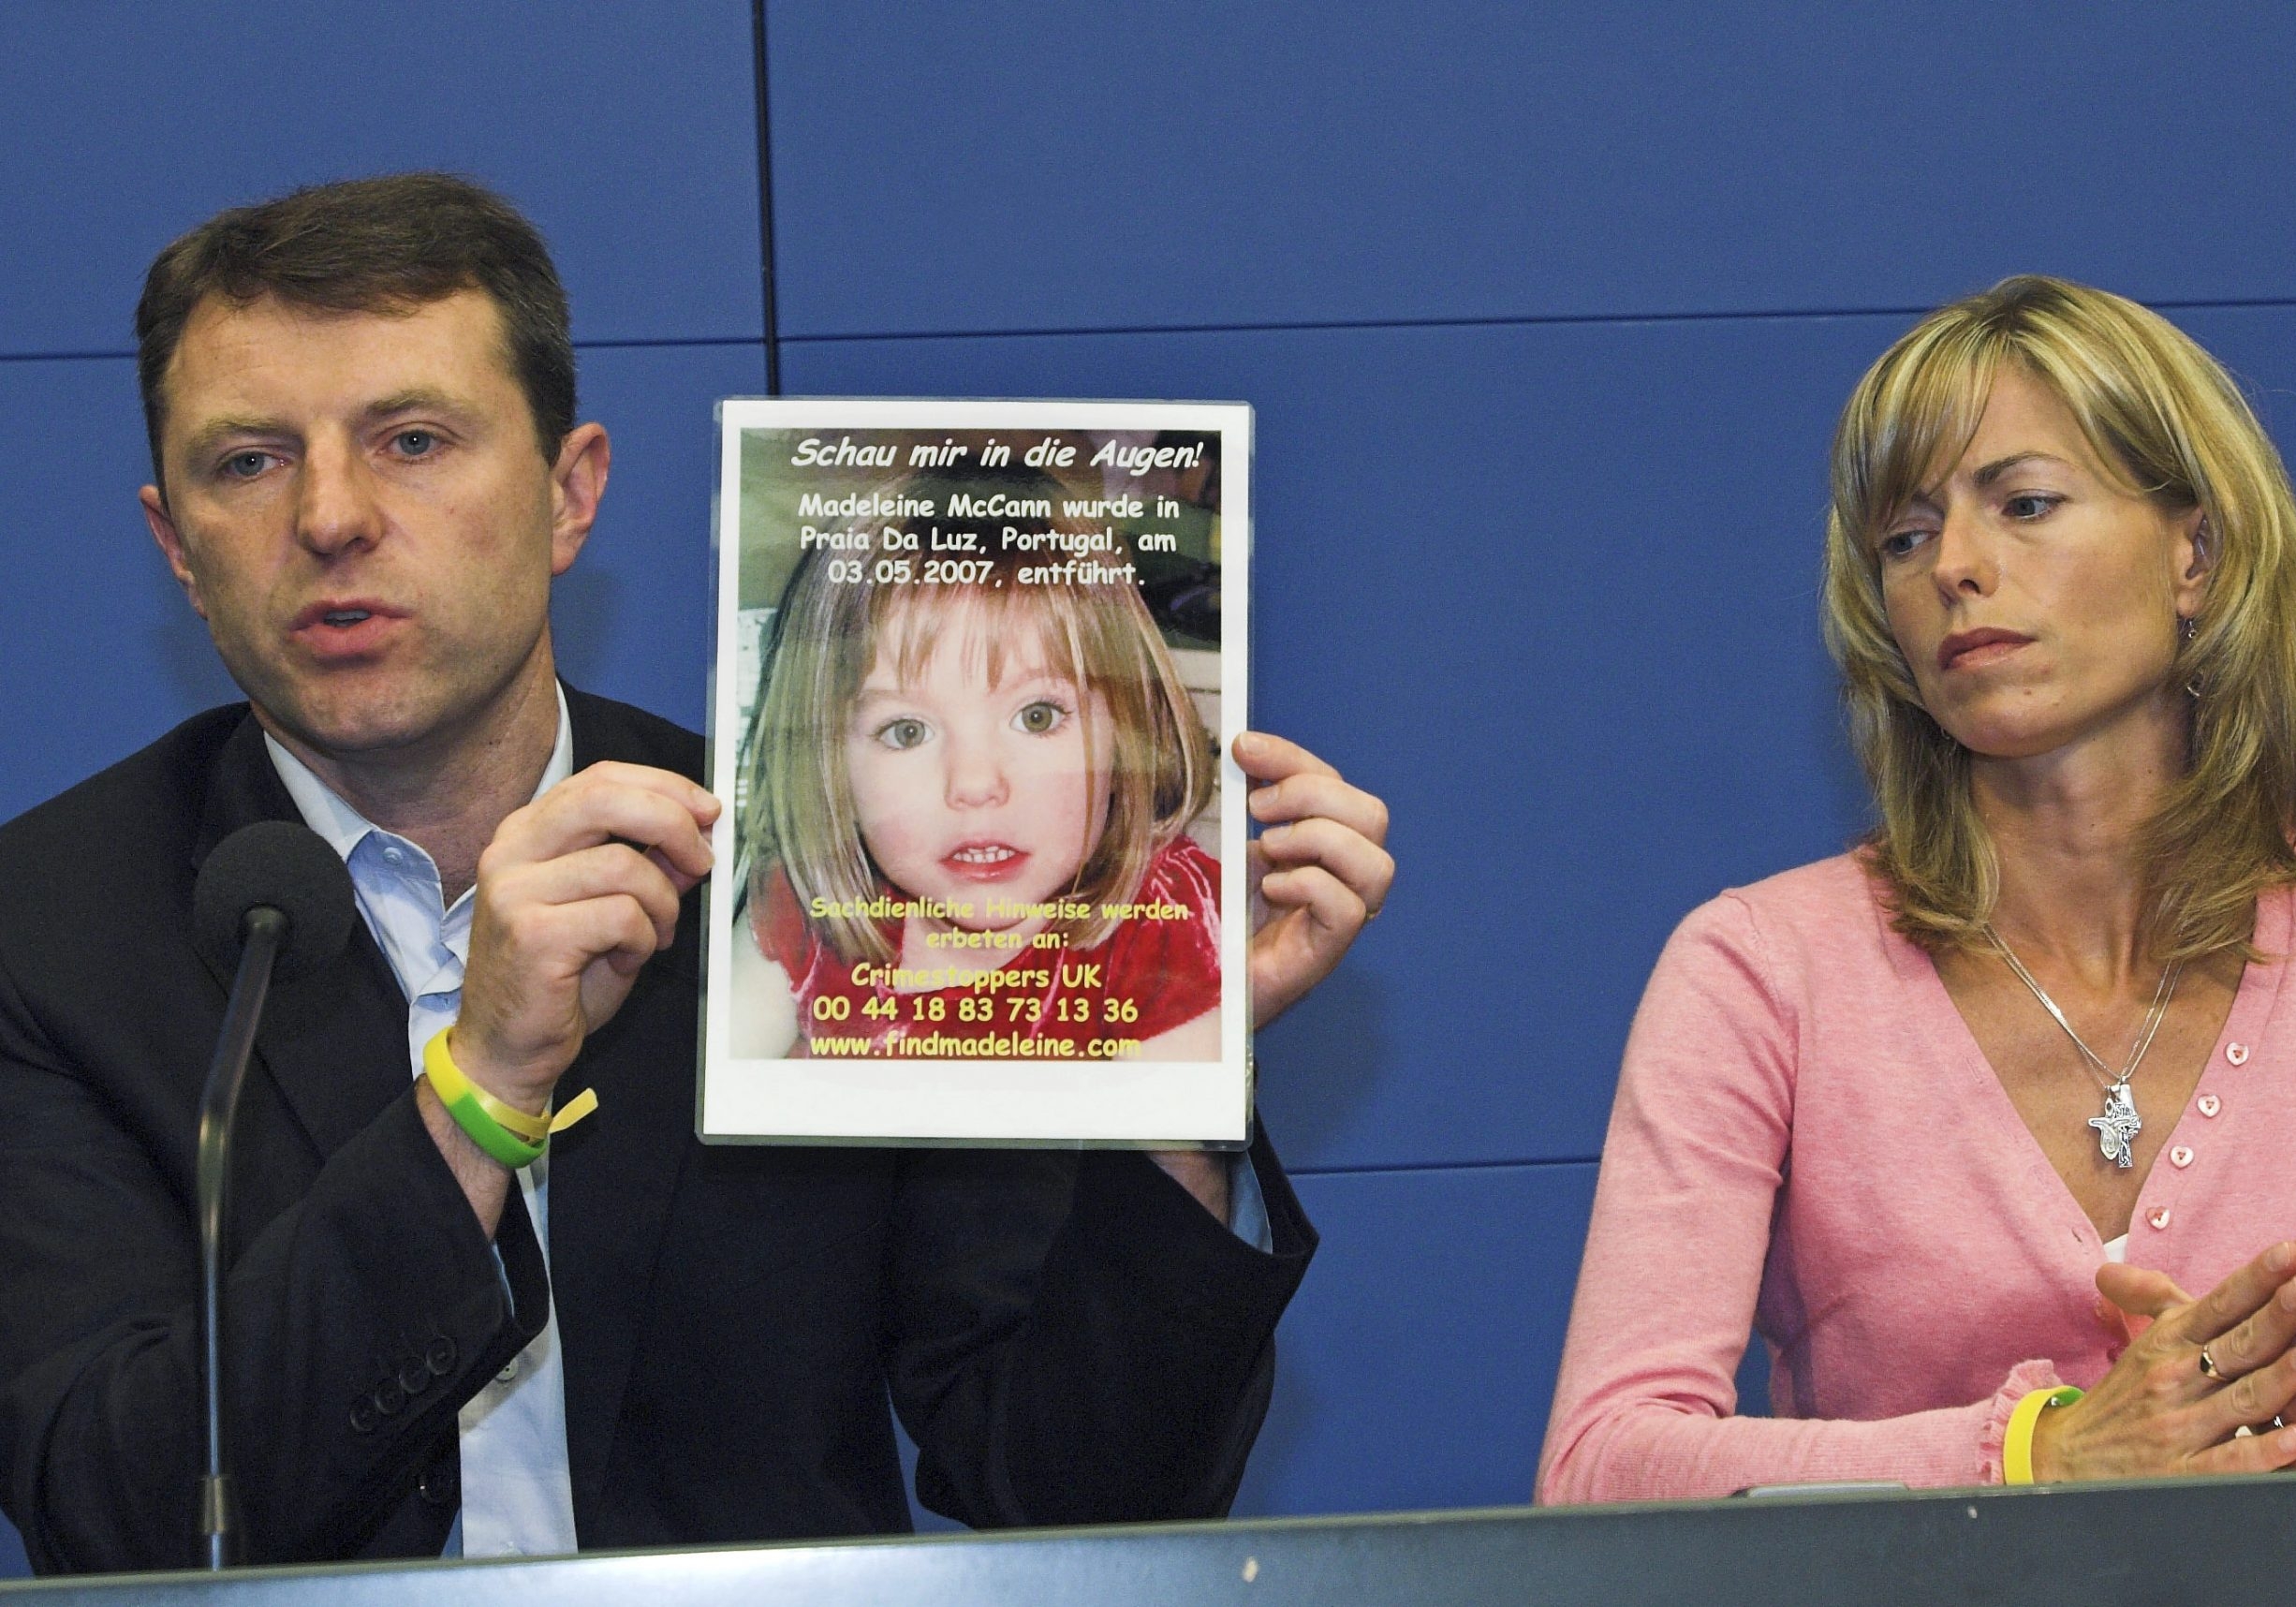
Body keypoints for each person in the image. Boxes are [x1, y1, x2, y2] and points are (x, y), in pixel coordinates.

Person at [0, 173, 1395, 1572]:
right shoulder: (49, 931)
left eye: (413, 440)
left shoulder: (803, 894)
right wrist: (476, 1097)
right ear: (177, 548)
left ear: (570, 495)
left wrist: (1171, 1071)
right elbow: (118, 1514)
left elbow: (1074, 1495)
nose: (332, 517)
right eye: (248, 461)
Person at [1539, 274, 2296, 1502]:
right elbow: (1602, 1469)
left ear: (2195, 555)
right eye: (1906, 535)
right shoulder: (1761, 969)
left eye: (2026, 503)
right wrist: (2041, 1452)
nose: (1956, 566)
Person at [732, 465, 1224, 1061]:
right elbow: (712, 1111)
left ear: (1128, 731)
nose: (974, 784)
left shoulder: (1167, 921)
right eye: (906, 731)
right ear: (828, 766)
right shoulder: (806, 909)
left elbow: (1169, 1153)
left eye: (1037, 717)